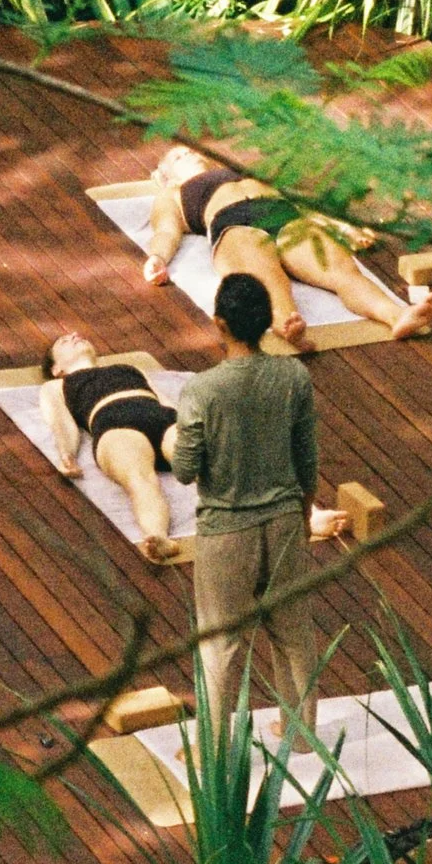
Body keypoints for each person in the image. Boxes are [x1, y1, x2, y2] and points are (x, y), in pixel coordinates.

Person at [168, 270, 349, 739]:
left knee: (220, 644)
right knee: (293, 632)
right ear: (267, 321)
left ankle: (216, 749)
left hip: (226, 530)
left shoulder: (202, 390)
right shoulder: (293, 375)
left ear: (219, 323)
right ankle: (301, 733)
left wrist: (177, 436)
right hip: (285, 519)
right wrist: (303, 515)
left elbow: (186, 470)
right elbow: (306, 460)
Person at [140, 143, 432, 350]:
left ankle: (396, 316)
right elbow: (166, 231)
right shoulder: (173, 194)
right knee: (268, 280)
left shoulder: (238, 171)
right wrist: (157, 257)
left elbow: (300, 203)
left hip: (282, 213)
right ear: (166, 175)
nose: (188, 152)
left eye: (189, 149)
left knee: (343, 271)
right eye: (178, 157)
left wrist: (343, 228)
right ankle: (286, 325)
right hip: (233, 223)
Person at [37, 333, 188, 559]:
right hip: (114, 424)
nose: (75, 336)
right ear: (56, 368)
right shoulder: (57, 385)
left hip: (161, 416)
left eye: (76, 335)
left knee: (203, 461)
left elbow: (166, 401)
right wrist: (67, 454)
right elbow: (61, 423)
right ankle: (160, 537)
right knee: (140, 479)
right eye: (64, 341)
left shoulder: (129, 368)